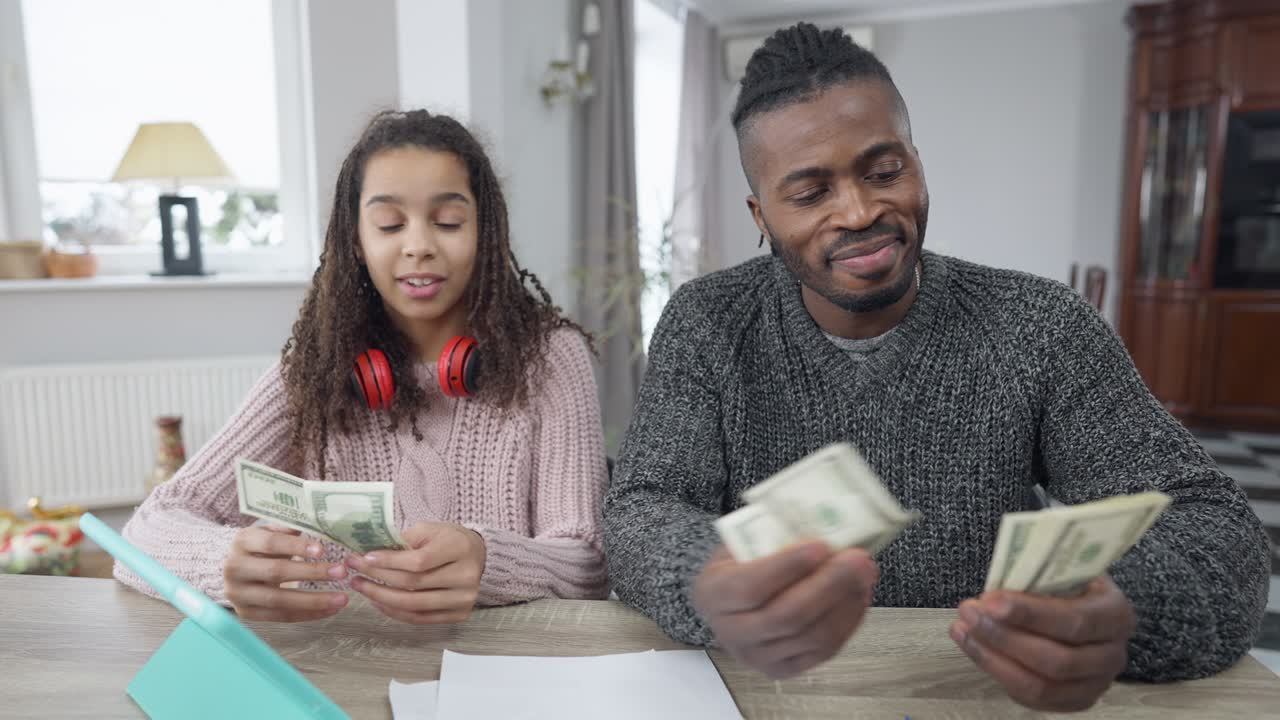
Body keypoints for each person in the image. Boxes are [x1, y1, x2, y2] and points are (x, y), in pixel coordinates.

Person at [604, 23, 1269, 713]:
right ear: (761, 216)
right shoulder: (707, 321)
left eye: (884, 171)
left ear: (917, 161)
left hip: (983, 694)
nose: (860, 212)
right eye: (809, 194)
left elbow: (1215, 528)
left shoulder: (1039, 326)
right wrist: (705, 577)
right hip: (768, 695)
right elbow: (642, 507)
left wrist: (1124, 614)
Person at [116, 109, 610, 624]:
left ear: (484, 233)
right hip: (347, 662)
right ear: (357, 239)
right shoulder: (314, 371)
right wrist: (224, 563)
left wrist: (488, 561)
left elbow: (588, 566)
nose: (419, 245)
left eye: (448, 222)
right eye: (389, 224)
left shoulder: (550, 358)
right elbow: (148, 529)